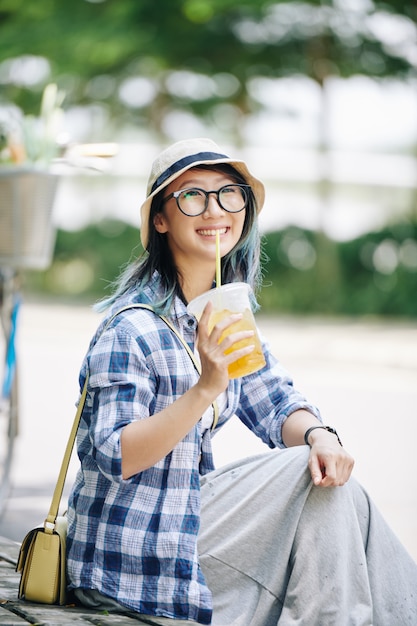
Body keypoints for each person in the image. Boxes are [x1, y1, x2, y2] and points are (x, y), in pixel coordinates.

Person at [66, 137, 417, 626]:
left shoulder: (223, 313)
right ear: (161, 219)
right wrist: (205, 389)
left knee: (330, 482)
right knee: (309, 478)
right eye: (192, 196)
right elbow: (115, 455)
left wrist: (320, 436)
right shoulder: (132, 329)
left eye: (229, 194)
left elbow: (276, 400)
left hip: (192, 529)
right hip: (131, 560)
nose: (215, 209)